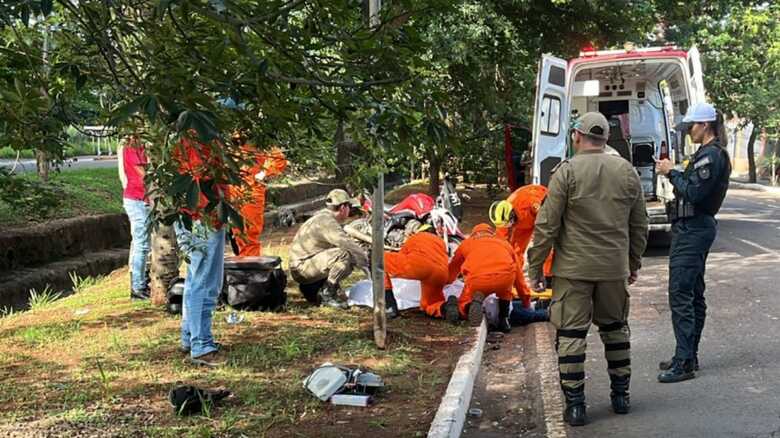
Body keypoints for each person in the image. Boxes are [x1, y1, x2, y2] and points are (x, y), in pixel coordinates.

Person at [527, 112, 648, 426]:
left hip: (573, 271)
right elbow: (639, 225)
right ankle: (621, 398)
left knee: (570, 336)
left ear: (577, 136)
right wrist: (632, 263)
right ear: (606, 138)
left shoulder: (565, 173)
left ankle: (577, 406)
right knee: (616, 330)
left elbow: (547, 225)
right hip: (613, 269)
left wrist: (535, 267)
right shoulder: (627, 171)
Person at [655, 102, 731, 383]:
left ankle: (684, 361)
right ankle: (687, 355)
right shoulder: (705, 154)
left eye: (691, 126)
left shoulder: (711, 156)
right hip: (691, 228)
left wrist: (671, 172)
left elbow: (695, 194)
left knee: (681, 294)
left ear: (705, 126)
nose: (688, 131)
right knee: (692, 293)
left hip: (694, 229)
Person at [173, 132, 228, 368]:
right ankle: (201, 344)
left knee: (199, 279)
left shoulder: (186, 139)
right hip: (202, 217)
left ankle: (190, 337)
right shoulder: (198, 141)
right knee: (204, 282)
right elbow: (201, 180)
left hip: (199, 216)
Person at [289, 189, 369, 309]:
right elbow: (346, 243)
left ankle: (321, 289)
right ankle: (328, 293)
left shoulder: (323, 216)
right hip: (303, 268)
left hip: (306, 267)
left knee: (343, 254)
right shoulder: (327, 222)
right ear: (343, 207)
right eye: (350, 206)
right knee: (344, 255)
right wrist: (366, 264)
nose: (350, 210)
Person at [447, 223, 528, 332]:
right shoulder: (504, 244)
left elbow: (453, 268)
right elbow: (519, 278)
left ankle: (468, 307)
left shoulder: (466, 243)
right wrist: (525, 301)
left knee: (464, 300)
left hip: (478, 281)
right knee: (506, 289)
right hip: (504, 279)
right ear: (491, 233)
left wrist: (446, 283)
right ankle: (503, 319)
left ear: (473, 234)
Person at [490, 184, 553, 301]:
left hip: (541, 215)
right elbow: (501, 244)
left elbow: (547, 225)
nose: (508, 227)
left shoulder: (532, 201)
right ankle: (514, 283)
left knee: (547, 248)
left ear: (512, 214)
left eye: (509, 224)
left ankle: (548, 279)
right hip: (523, 223)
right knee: (514, 251)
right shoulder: (503, 218)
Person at [228, 136, 287, 256]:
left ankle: (251, 270)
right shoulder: (230, 136)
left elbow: (279, 159)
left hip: (251, 192)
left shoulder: (258, 137)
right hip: (232, 191)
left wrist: (263, 174)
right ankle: (243, 268)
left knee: (249, 236)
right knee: (236, 236)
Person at [383, 223, 450, 320]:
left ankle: (389, 306)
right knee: (430, 303)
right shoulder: (441, 242)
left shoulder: (415, 237)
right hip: (441, 273)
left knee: (380, 259)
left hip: (419, 266)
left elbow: (402, 256)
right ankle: (444, 308)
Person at [121, 135, 151, 300]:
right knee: (141, 245)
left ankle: (141, 283)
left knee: (144, 245)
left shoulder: (144, 148)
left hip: (144, 199)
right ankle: (137, 288)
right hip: (136, 200)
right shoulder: (131, 148)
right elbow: (143, 174)